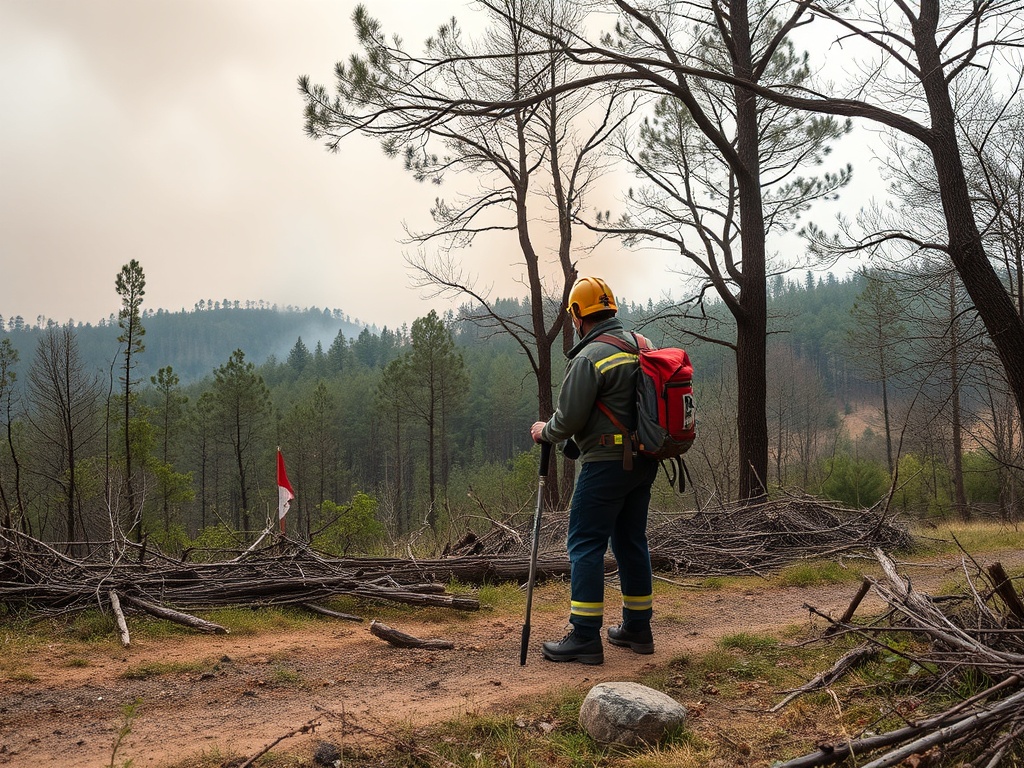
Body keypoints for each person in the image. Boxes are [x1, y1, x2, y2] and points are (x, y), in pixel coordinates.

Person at [530, 276, 659, 665]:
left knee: (585, 543)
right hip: (644, 462)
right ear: (611, 309)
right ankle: (639, 628)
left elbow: (567, 418)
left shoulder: (590, 357)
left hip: (605, 465)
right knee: (630, 541)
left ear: (577, 315)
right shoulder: (643, 345)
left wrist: (544, 431)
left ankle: (585, 636)